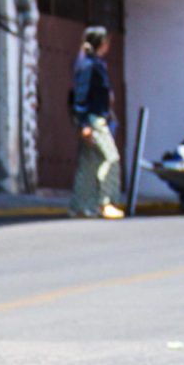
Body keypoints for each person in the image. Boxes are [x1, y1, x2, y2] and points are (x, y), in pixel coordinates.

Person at [68, 24, 125, 219]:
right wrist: (83, 124)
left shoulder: (93, 63)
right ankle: (106, 202)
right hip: (94, 119)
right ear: (100, 42)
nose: (108, 44)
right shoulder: (89, 65)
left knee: (89, 162)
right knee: (111, 158)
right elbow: (80, 95)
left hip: (95, 117)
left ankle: (80, 207)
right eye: (106, 40)